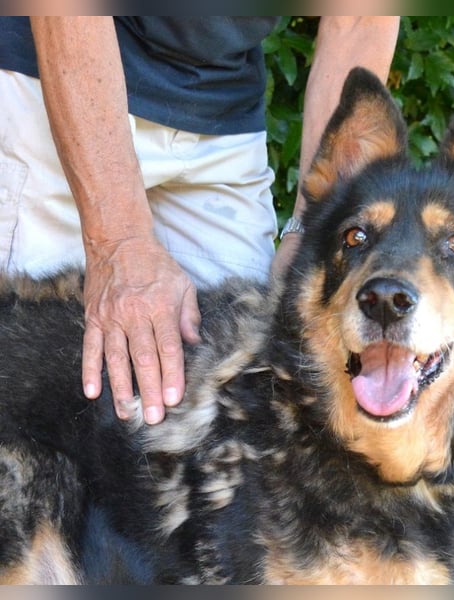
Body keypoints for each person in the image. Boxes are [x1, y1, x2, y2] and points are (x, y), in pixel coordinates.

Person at [0, 16, 400, 425]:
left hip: (224, 111)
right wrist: (119, 241)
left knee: (252, 390)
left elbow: (358, 18)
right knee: (32, 381)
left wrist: (311, 227)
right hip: (62, 81)